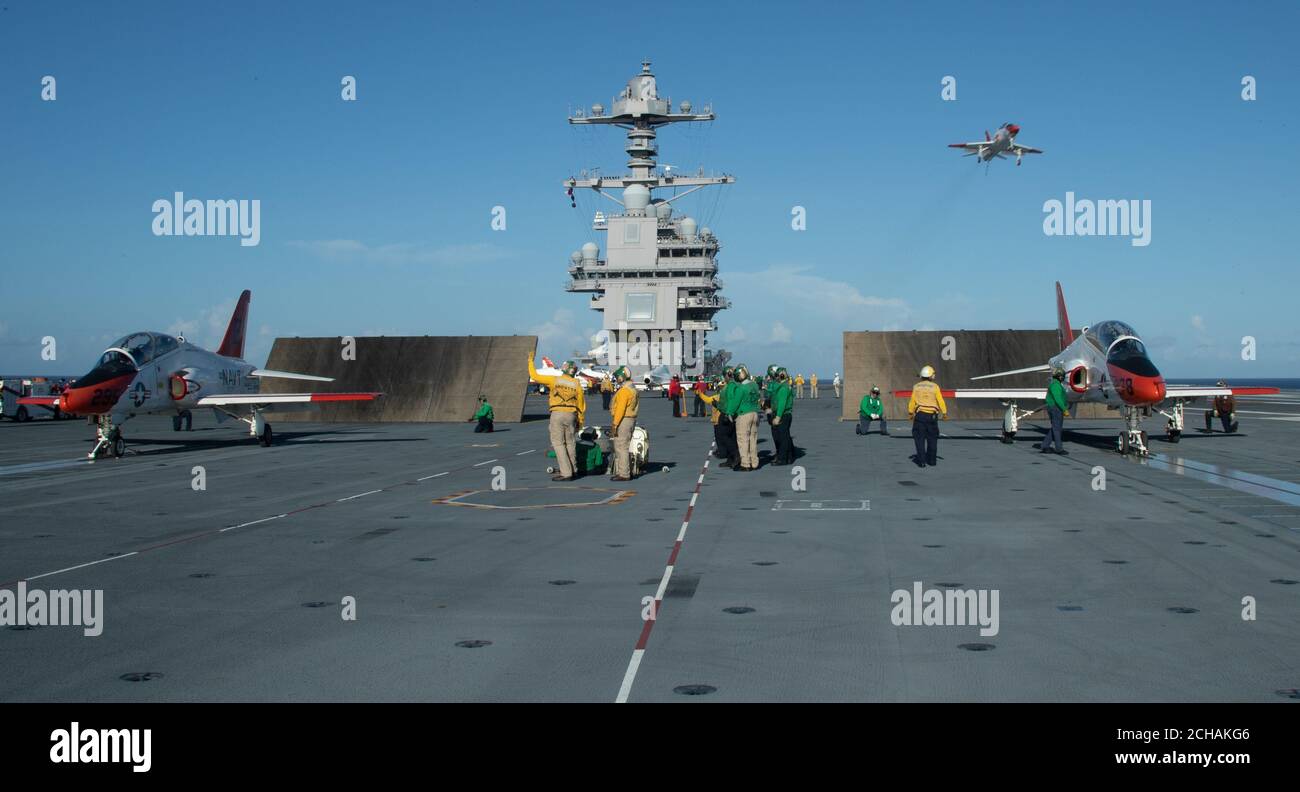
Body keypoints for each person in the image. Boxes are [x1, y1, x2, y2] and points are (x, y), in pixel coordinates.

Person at [528, 352, 586, 481]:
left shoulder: (555, 380)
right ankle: (574, 469)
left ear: (564, 369)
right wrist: (580, 421)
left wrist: (530, 361)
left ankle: (566, 473)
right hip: (571, 414)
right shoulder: (576, 383)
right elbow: (581, 404)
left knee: (558, 444)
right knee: (570, 443)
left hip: (558, 413)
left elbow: (534, 376)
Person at [907, 364, 947, 467]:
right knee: (932, 439)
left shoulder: (916, 386)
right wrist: (944, 412)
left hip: (920, 416)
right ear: (930, 375)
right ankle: (932, 461)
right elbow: (940, 400)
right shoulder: (935, 387)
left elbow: (912, 401)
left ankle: (922, 461)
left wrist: (911, 412)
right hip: (932, 417)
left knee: (919, 439)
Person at [727, 364, 761, 471]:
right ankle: (754, 462)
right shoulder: (754, 385)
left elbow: (735, 402)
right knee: (753, 439)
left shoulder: (741, 388)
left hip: (744, 415)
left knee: (743, 439)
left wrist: (729, 413)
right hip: (755, 413)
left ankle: (746, 464)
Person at [609, 366, 639, 481]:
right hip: (630, 419)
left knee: (621, 447)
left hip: (623, 420)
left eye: (617, 377)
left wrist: (615, 424)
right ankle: (625, 471)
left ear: (622, 377)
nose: (617, 379)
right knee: (624, 446)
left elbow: (620, 409)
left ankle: (624, 474)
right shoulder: (633, 389)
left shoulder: (624, 391)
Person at [699, 376, 734, 467]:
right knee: (727, 437)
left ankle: (722, 453)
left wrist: (700, 394)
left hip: (718, 421)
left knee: (720, 439)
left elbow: (707, 400)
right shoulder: (729, 396)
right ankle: (726, 452)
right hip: (725, 420)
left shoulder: (717, 397)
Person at [767, 367, 794, 465]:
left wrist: (778, 417)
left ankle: (782, 459)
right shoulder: (785, 386)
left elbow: (782, 403)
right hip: (785, 414)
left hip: (783, 414)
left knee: (782, 438)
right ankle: (789, 457)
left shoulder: (783, 388)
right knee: (785, 436)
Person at [1039, 366, 1069, 454]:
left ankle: (1045, 445)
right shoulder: (1056, 385)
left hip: (1054, 408)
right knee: (1057, 429)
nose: (1063, 377)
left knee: (1055, 428)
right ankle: (1059, 449)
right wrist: (1064, 409)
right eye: (1063, 376)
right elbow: (1057, 398)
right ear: (1060, 376)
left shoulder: (1055, 384)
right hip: (1056, 408)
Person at [715, 367, 741, 468]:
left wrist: (728, 413)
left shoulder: (730, 386)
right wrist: (717, 404)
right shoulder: (735, 385)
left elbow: (730, 400)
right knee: (732, 436)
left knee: (724, 436)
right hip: (731, 413)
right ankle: (730, 459)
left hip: (727, 413)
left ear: (727, 375)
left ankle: (735, 455)